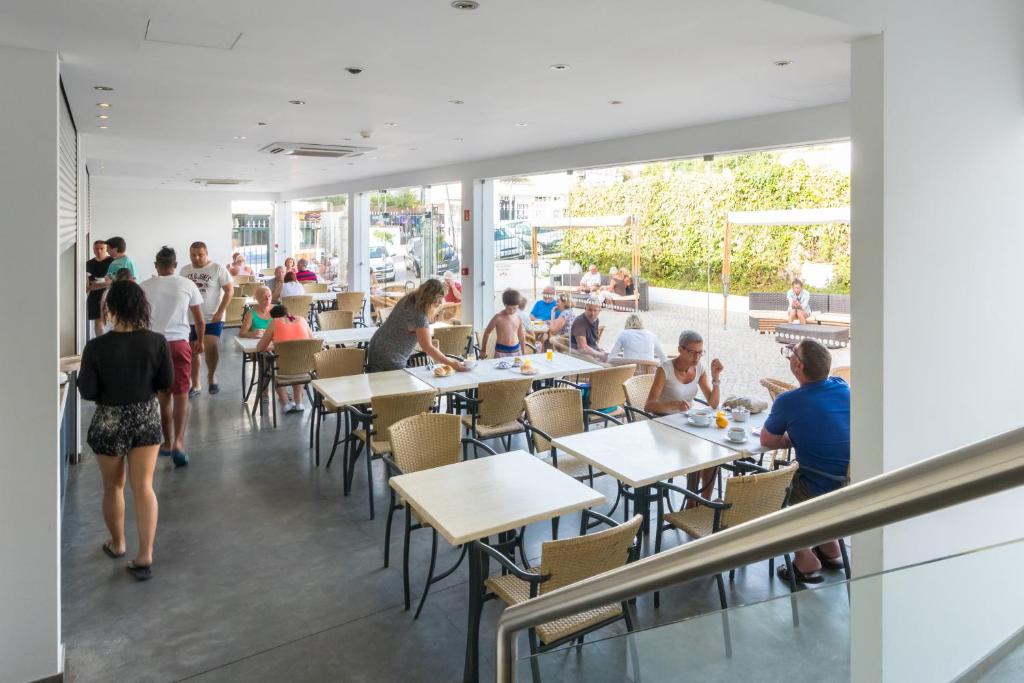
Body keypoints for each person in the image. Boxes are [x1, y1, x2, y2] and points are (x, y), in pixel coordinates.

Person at [77, 280, 172, 581]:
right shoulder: (157, 341)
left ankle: (118, 543)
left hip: (110, 420)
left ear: (110, 308)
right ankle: (145, 555)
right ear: (141, 306)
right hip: (146, 418)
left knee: (113, 487)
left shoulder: (96, 347)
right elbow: (165, 382)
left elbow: (87, 391)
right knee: (143, 487)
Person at [761, 340, 850, 584]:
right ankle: (830, 547)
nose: (789, 355)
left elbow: (768, 440)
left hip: (818, 484)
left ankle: (805, 558)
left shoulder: (788, 401)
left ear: (798, 366)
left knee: (773, 493)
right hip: (847, 482)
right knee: (819, 474)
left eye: (792, 352)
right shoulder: (842, 386)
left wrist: (793, 436)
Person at [140, 247, 205, 468]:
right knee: (181, 394)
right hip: (179, 344)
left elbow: (139, 320)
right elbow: (200, 320)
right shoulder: (187, 284)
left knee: (163, 395)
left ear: (156, 265)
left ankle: (167, 443)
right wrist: (200, 341)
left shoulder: (144, 287)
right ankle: (179, 442)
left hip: (152, 345)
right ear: (175, 265)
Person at [645, 330, 724, 499]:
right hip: (663, 425)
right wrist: (674, 404)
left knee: (713, 453)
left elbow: (713, 404)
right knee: (695, 454)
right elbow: (649, 406)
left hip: (686, 424)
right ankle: (691, 501)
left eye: (700, 352)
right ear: (680, 349)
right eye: (692, 352)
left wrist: (716, 378)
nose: (697, 357)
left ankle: (705, 500)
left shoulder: (699, 368)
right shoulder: (665, 369)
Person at [365, 278, 469, 373]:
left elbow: (408, 323)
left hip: (376, 346)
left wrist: (428, 322)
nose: (440, 302)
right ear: (429, 297)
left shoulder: (408, 299)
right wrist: (451, 363)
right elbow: (427, 347)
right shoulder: (419, 316)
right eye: (438, 299)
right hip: (391, 357)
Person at [180, 241, 233, 397]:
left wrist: (220, 312)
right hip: (190, 318)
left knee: (211, 345)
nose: (196, 258)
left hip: (212, 317)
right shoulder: (184, 270)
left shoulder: (217, 268)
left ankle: (211, 376)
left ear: (206, 254)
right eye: (193, 255)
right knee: (193, 351)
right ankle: (196, 384)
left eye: (200, 255)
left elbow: (229, 291)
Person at [256, 304, 314, 413]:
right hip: (304, 368)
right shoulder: (301, 319)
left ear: (274, 317)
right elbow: (312, 341)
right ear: (287, 313)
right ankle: (299, 402)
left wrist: (274, 345)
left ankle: (285, 402)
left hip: (282, 371)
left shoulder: (274, 322)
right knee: (296, 361)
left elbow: (260, 347)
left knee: (274, 366)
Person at [481, 289, 527, 359]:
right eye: (509, 308)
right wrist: (483, 349)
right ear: (505, 305)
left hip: (517, 350)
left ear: (518, 306)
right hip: (501, 351)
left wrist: (524, 350)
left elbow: (521, 335)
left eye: (514, 308)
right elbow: (487, 332)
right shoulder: (498, 317)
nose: (512, 311)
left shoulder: (518, 317)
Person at [86, 239, 113, 337]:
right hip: (94, 297)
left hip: (110, 295)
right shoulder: (88, 264)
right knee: (98, 323)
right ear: (93, 249)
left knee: (112, 323)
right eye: (96, 248)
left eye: (102, 248)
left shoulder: (113, 262)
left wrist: (96, 285)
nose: (99, 251)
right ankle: (101, 344)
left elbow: (114, 282)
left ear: (106, 249)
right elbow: (86, 284)